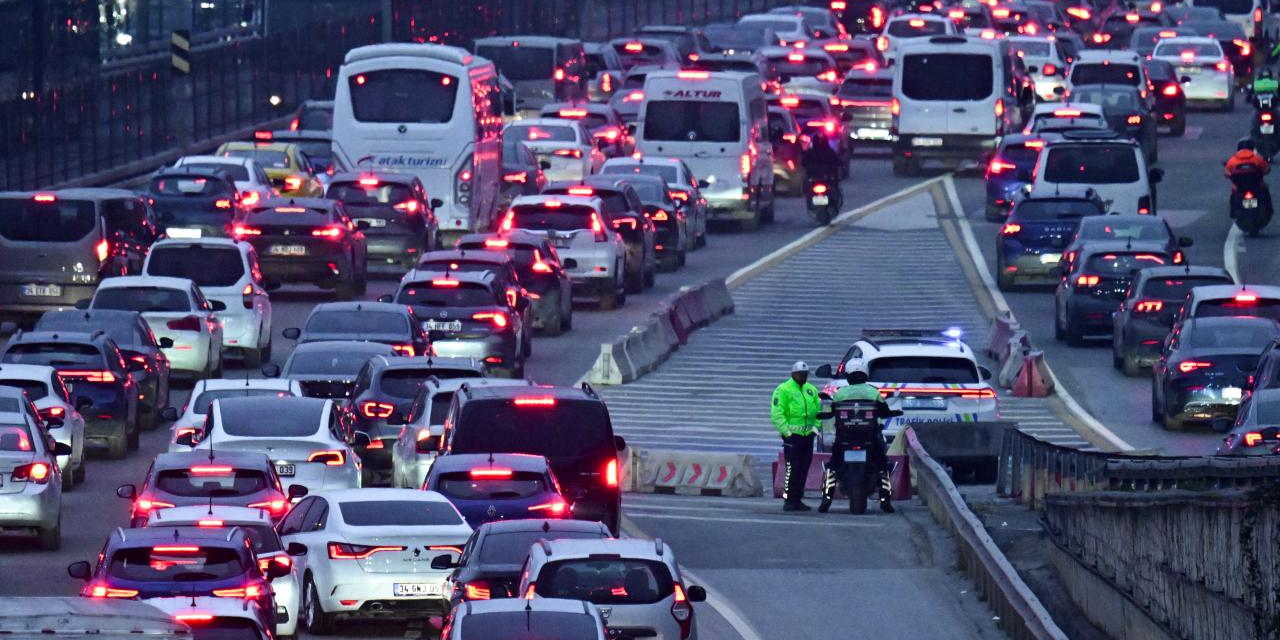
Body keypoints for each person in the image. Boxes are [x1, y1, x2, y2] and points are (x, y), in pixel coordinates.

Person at [818, 370, 899, 514]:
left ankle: (826, 499)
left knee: (833, 465)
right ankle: (885, 500)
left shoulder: (841, 393)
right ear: (865, 377)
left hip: (844, 438)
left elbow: (831, 411)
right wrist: (894, 412)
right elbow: (885, 411)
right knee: (883, 465)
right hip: (870, 438)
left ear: (849, 378)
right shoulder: (873, 392)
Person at [770, 361, 823, 512]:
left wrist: (815, 429)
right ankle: (789, 500)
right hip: (792, 437)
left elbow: (818, 411)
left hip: (808, 437)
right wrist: (786, 433)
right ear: (793, 374)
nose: (804, 377)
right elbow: (777, 414)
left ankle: (797, 499)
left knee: (803, 469)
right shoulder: (783, 389)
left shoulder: (811, 390)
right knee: (792, 469)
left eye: (806, 375)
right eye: (801, 374)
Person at [802, 131, 844, 205]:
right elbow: (838, 162)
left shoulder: (811, 152)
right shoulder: (829, 152)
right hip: (820, 179)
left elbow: (803, 162)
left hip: (825, 179)